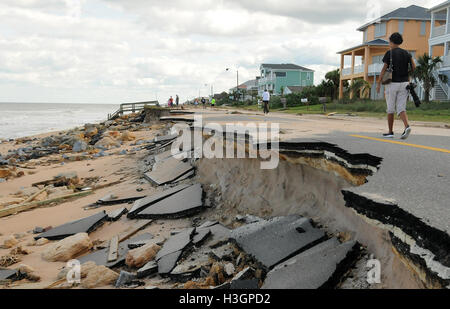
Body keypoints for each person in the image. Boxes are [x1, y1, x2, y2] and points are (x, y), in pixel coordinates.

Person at [377, 32, 415, 140]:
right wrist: (405, 73)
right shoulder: (407, 53)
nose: (389, 43)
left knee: (390, 108)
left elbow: (384, 69)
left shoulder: (389, 53)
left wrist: (379, 83)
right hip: (404, 83)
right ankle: (407, 126)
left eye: (389, 41)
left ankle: (390, 132)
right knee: (401, 108)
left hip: (391, 83)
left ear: (392, 41)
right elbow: (413, 67)